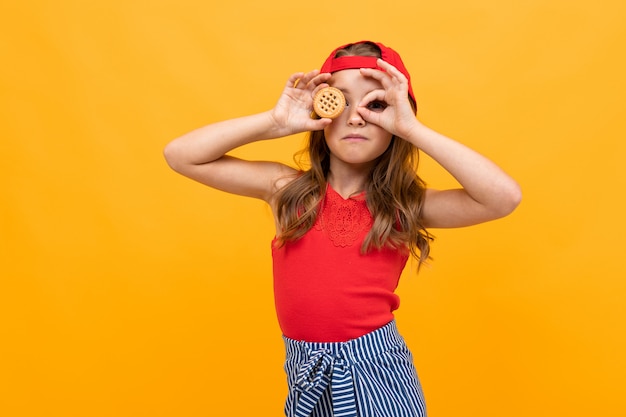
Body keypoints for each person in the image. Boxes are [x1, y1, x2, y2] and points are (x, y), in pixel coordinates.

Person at [164, 40, 521, 417]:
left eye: (376, 104)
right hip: (305, 373)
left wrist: (412, 129)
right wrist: (275, 121)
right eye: (341, 100)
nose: (354, 117)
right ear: (321, 108)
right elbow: (181, 155)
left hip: (377, 374)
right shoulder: (287, 191)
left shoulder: (403, 206)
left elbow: (503, 198)